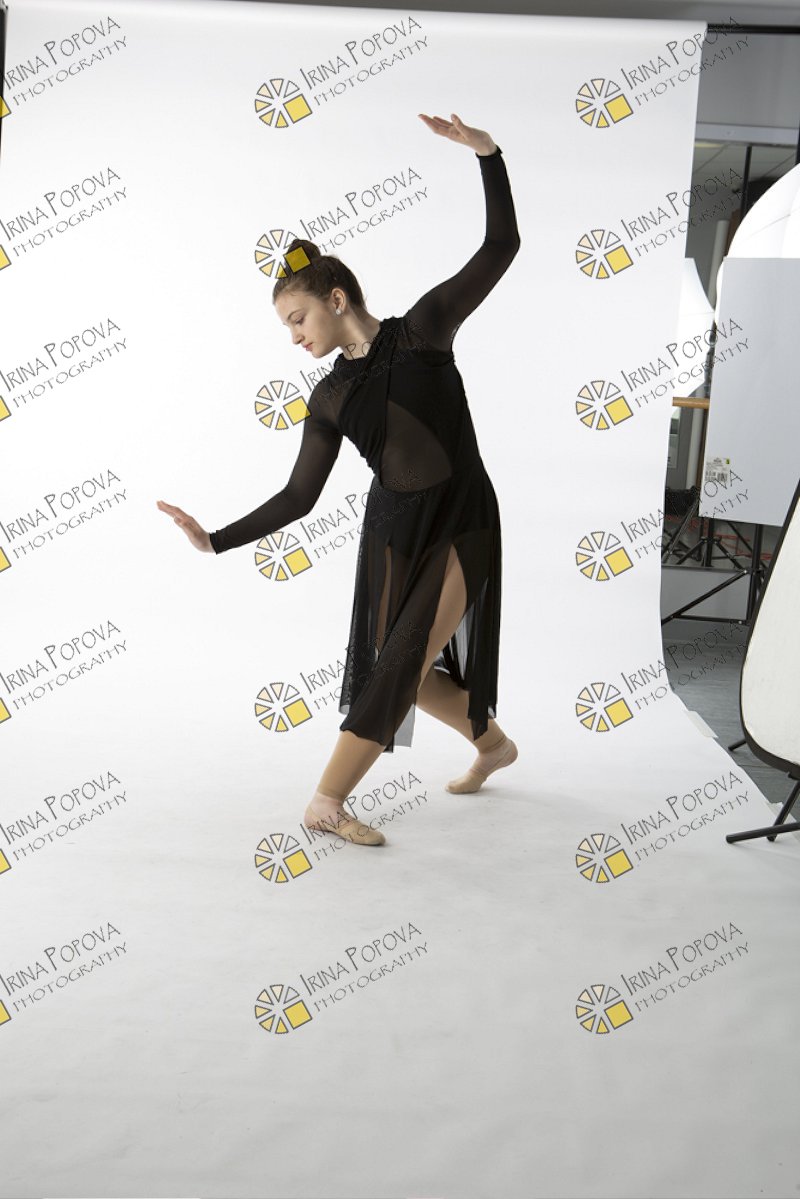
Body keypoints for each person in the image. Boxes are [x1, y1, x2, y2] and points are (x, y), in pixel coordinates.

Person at [157, 112, 520, 848]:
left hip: (461, 518)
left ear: (336, 298)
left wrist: (488, 155)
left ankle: (325, 802)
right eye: (287, 328)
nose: (295, 337)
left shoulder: (424, 329)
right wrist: (215, 539)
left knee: (402, 662)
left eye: (297, 319)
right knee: (400, 670)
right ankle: (492, 745)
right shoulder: (327, 398)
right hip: (390, 533)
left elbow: (500, 247)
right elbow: (300, 497)